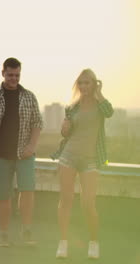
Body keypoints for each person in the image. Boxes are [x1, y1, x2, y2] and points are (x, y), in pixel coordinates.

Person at [0, 57, 43, 247]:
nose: (14, 78)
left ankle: (27, 231)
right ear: (3, 72)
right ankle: (4, 234)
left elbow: (38, 123)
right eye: (10, 75)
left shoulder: (29, 96)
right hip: (0, 154)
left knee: (27, 191)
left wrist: (32, 146)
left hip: (24, 154)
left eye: (17, 75)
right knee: (3, 196)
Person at [52, 69, 114, 259]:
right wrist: (64, 129)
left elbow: (109, 112)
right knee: (66, 201)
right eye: (81, 83)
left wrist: (100, 92)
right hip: (69, 156)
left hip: (91, 160)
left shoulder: (100, 105)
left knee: (88, 203)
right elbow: (66, 133)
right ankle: (63, 243)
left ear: (94, 84)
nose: (84, 86)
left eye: (88, 83)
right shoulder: (72, 107)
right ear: (78, 85)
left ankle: (94, 242)